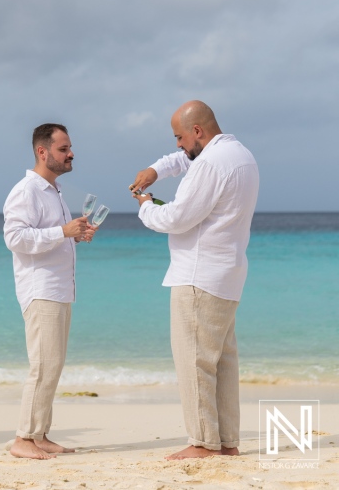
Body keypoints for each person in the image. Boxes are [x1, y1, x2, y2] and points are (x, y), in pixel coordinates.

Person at [130, 100, 259, 460]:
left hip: (199, 275)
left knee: (194, 361)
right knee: (222, 361)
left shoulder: (211, 164)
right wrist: (157, 169)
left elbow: (177, 218)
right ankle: (227, 441)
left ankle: (203, 443)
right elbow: (188, 159)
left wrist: (145, 205)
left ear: (198, 132)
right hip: (228, 274)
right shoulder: (240, 155)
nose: (177, 145)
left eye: (179, 137)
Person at [3, 123, 95, 460]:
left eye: (70, 148)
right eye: (63, 148)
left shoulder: (52, 191)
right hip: (40, 290)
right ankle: (23, 438)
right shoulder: (26, 190)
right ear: (43, 152)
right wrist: (62, 232)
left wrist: (74, 234)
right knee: (42, 365)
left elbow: (52, 235)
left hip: (58, 289)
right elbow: (15, 239)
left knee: (52, 365)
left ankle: (39, 435)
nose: (70, 154)